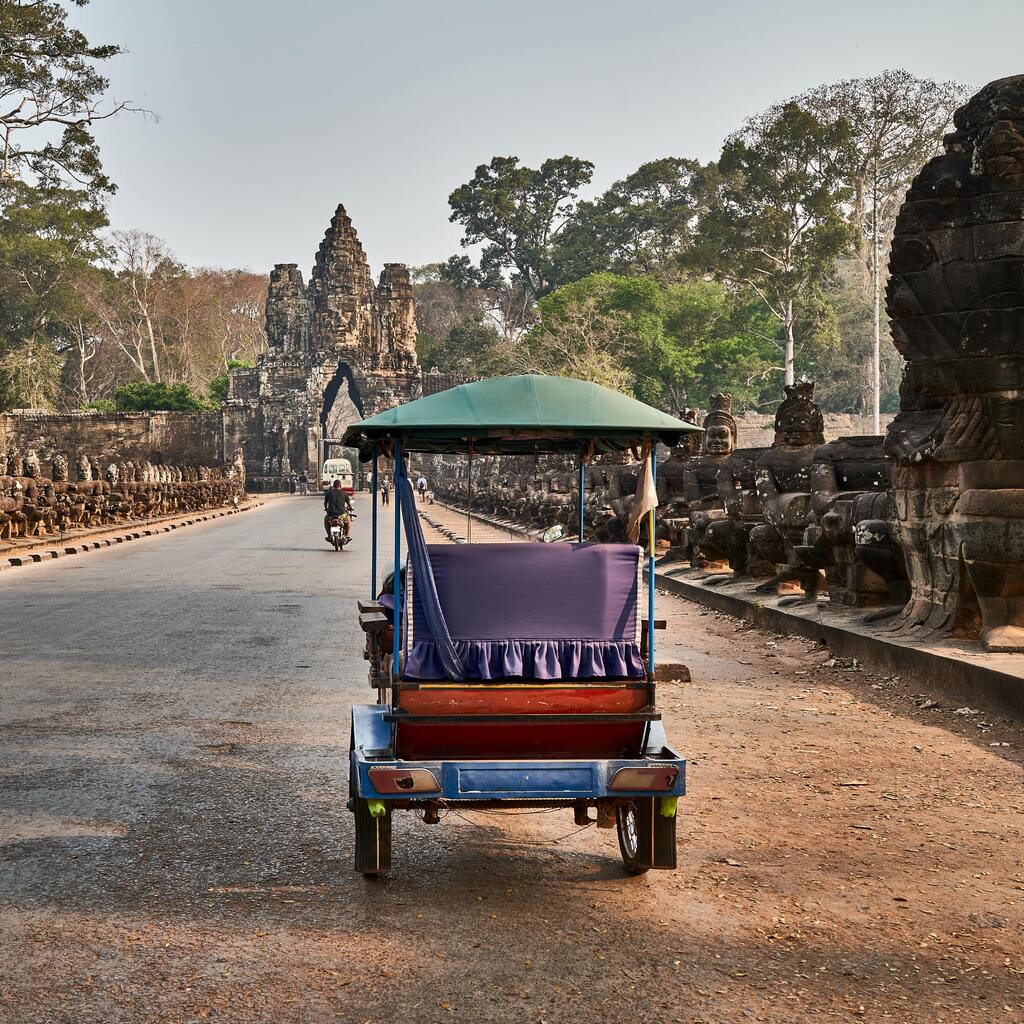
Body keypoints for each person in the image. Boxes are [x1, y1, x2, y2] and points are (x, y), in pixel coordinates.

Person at [324, 479, 353, 543]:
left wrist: (326, 508)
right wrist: (350, 508)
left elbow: (325, 503)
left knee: (326, 521)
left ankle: (329, 535)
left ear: (333, 485)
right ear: (340, 485)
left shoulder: (329, 493)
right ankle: (347, 535)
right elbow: (348, 503)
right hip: (341, 514)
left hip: (331, 514)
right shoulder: (344, 493)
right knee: (348, 520)